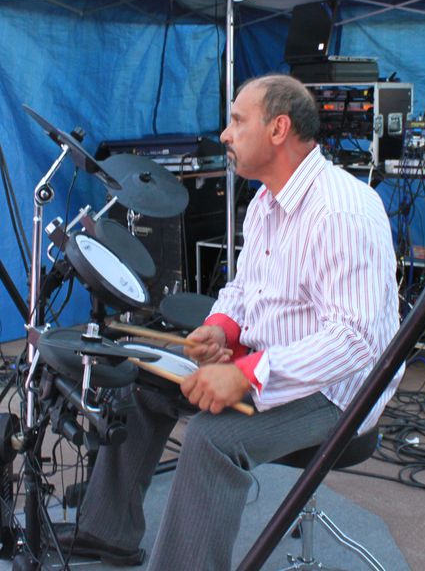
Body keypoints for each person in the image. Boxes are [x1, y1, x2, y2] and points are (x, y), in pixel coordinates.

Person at [60, 74, 400, 569]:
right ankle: (107, 532)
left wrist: (244, 374)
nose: (224, 134)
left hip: (340, 391)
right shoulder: (264, 201)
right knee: (142, 381)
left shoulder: (342, 210)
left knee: (211, 439)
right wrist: (222, 328)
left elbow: (354, 343)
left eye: (237, 120)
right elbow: (246, 290)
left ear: (278, 128)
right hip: (272, 363)